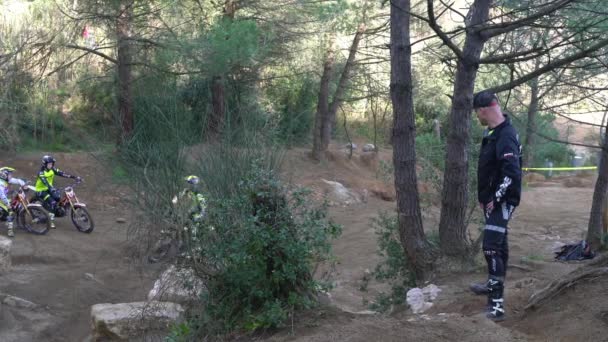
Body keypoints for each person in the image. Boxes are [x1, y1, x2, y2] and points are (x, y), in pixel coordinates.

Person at [469, 90, 522, 321]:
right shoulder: (494, 132)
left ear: (483, 110)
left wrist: (495, 199)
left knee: (490, 247)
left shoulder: (505, 135)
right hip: (493, 199)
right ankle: (493, 287)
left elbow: (512, 173)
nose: (477, 117)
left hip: (502, 201)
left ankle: (497, 307)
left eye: (477, 113)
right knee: (499, 246)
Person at [35, 155, 81, 228]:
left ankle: (56, 211)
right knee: (53, 202)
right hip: (41, 190)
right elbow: (45, 182)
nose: (51, 165)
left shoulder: (52, 169)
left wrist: (75, 177)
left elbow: (62, 173)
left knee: (58, 197)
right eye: (49, 164)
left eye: (52, 164)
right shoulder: (41, 173)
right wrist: (51, 188)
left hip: (49, 189)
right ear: (45, 164)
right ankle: (50, 221)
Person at [0, 167, 26, 237]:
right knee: (10, 212)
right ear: (4, 175)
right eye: (10, 174)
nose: (11, 176)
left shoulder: (5, 180)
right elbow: (2, 195)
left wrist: (23, 183)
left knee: (15, 203)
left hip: (2, 200)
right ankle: (10, 230)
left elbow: (16, 180)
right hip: (1, 201)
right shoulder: (1, 183)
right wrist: (7, 204)